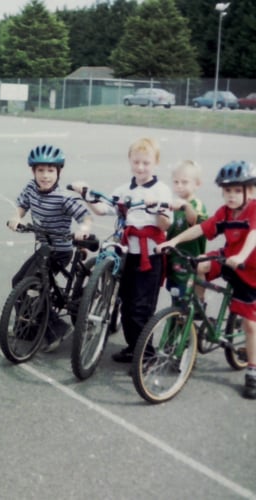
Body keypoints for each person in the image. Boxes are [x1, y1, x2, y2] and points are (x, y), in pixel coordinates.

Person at [158, 161, 256, 400]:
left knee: (250, 325)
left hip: (250, 268)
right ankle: (199, 309)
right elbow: (202, 228)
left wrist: (242, 255)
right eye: (227, 190)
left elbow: (253, 235)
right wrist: (174, 241)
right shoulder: (224, 212)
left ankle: (253, 370)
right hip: (229, 257)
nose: (230, 196)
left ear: (250, 191)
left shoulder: (253, 210)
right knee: (197, 263)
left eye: (236, 190)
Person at [76, 137, 172, 363]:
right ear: (130, 161)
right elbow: (102, 209)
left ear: (155, 163)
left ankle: (146, 355)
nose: (140, 167)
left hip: (150, 256)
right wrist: (86, 194)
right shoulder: (123, 190)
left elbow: (165, 224)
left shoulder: (161, 190)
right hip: (127, 253)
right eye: (136, 162)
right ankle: (133, 347)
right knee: (125, 303)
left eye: (146, 163)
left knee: (141, 307)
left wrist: (156, 206)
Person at [6, 144, 92, 352]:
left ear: (58, 172)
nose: (45, 176)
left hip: (60, 250)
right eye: (41, 171)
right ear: (33, 172)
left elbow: (85, 217)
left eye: (51, 171)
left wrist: (83, 229)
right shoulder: (31, 188)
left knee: (36, 286)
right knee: (19, 281)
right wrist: (15, 217)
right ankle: (26, 326)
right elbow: (21, 206)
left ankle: (57, 329)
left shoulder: (64, 197)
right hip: (43, 248)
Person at [165, 160, 208, 305]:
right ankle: (175, 324)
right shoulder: (173, 203)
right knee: (175, 295)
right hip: (175, 259)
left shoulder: (196, 205)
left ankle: (197, 306)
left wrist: (186, 206)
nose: (179, 186)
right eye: (176, 182)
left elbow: (194, 219)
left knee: (188, 300)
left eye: (185, 182)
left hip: (190, 260)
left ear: (197, 184)